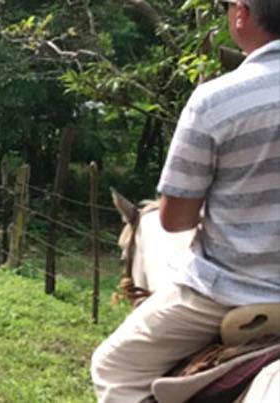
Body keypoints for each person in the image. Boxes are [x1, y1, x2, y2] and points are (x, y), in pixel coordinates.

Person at [89, 1, 280, 401]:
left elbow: (174, 221)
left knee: (114, 365)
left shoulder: (216, 99)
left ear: (241, 15)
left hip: (232, 292)